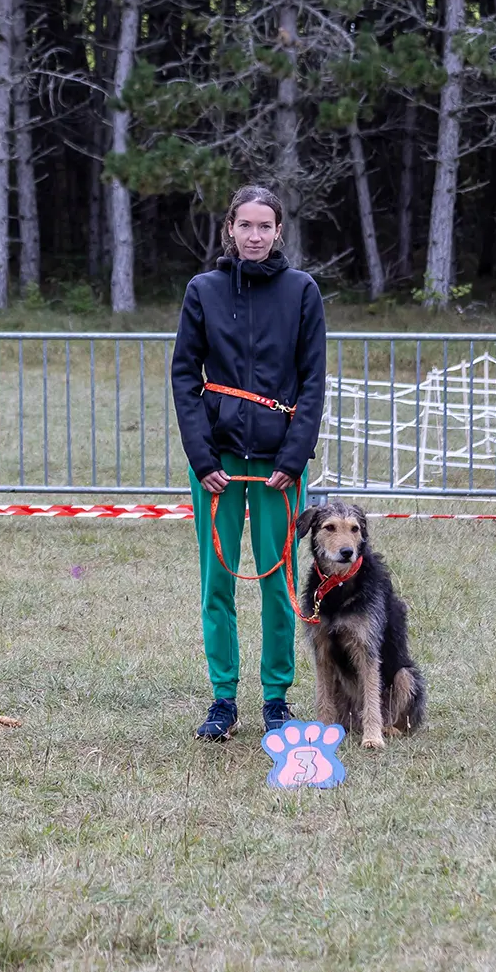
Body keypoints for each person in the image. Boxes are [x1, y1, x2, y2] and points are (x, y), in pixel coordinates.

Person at [170, 184, 326, 742]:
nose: (255, 236)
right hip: (217, 463)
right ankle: (222, 699)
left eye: (265, 226)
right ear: (229, 231)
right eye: (245, 226)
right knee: (217, 582)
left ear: (278, 231)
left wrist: (293, 456)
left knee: (279, 581)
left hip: (279, 466)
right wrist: (201, 455)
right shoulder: (203, 290)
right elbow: (185, 376)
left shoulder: (302, 292)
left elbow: (312, 381)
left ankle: (277, 699)